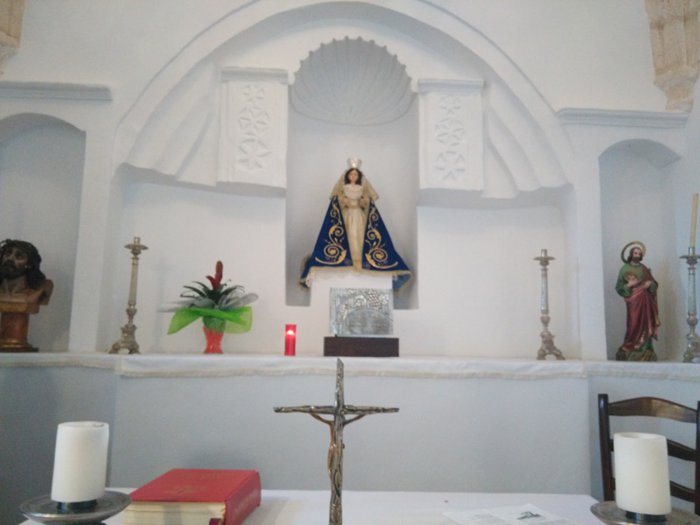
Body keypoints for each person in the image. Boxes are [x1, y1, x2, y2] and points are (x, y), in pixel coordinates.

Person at [300, 159, 411, 289]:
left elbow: (367, 202)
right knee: (348, 234)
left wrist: (364, 201)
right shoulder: (343, 188)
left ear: (358, 177)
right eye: (351, 174)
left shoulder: (362, 188)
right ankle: (350, 259)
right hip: (347, 215)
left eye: (355, 174)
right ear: (348, 176)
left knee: (359, 235)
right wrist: (343, 201)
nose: (353, 176)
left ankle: (359, 260)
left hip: (359, 215)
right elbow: (337, 201)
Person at [614, 242, 660, 361]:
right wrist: (629, 285)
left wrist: (650, 284)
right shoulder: (625, 269)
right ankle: (629, 345)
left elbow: (654, 284)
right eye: (635, 253)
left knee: (646, 322)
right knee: (633, 323)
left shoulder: (643, 268)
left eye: (639, 254)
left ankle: (646, 348)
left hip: (646, 301)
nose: (637, 255)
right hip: (633, 301)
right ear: (631, 254)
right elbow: (619, 287)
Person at [0, 239, 53, 307]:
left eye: (19, 256)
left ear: (29, 264)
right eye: (7, 254)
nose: (10, 258)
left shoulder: (41, 287)